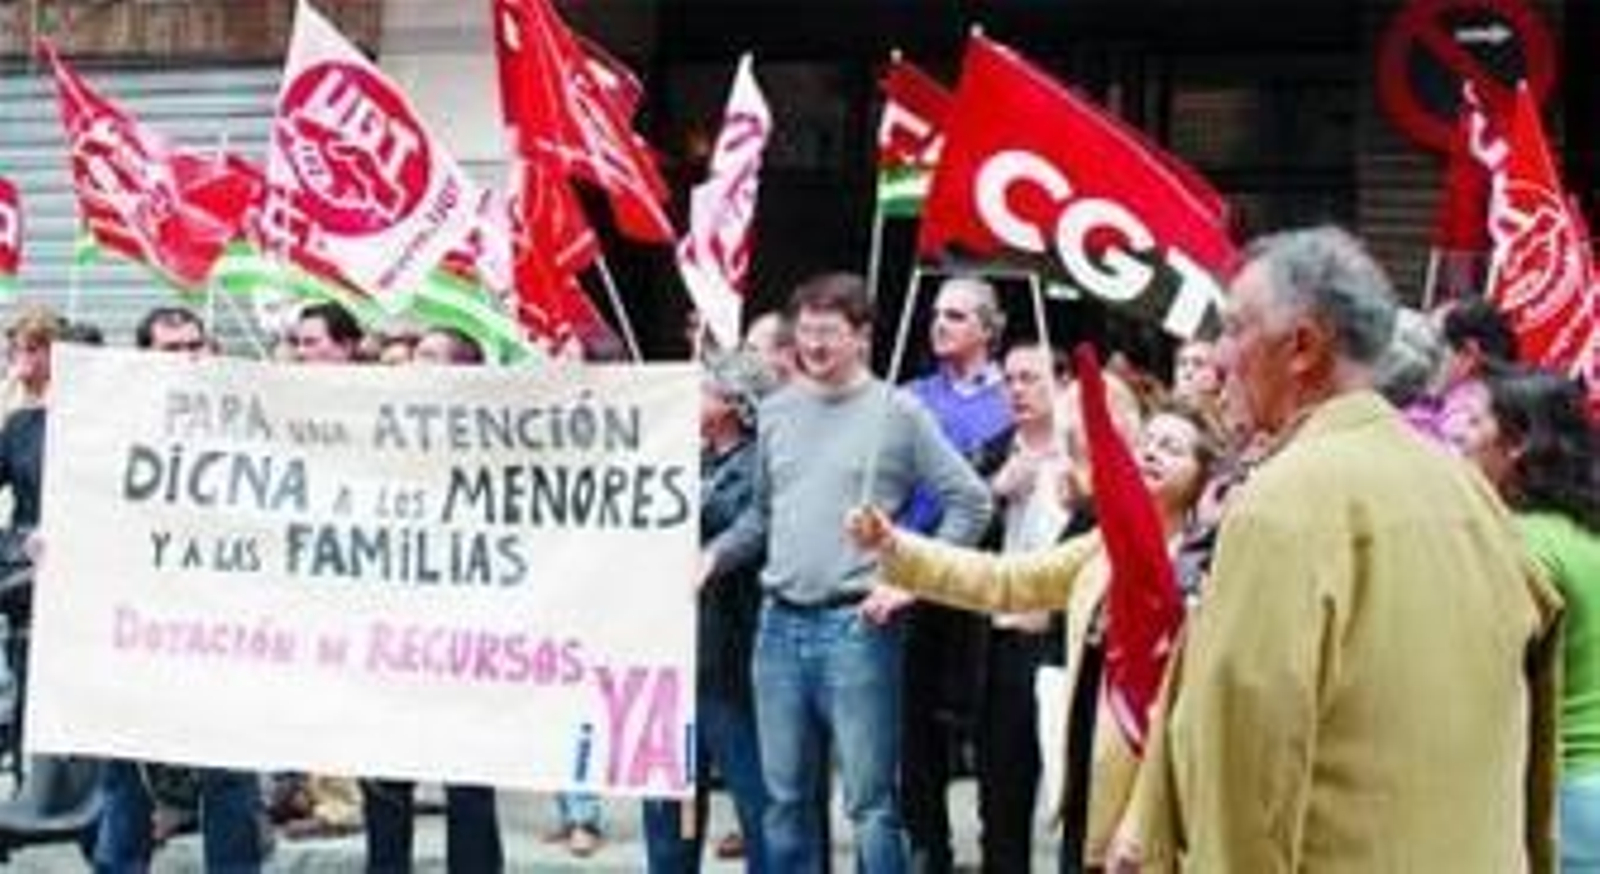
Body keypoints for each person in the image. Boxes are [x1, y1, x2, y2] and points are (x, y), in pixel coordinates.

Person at [1127, 226, 1562, 872]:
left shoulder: (1281, 504)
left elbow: (1246, 775)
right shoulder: (1467, 489)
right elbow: (1532, 751)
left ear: (1302, 346)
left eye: (1235, 328)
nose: (1217, 355)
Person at [848, 399, 1227, 873]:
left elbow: (1182, 718)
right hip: (1089, 782)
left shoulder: (1208, 568)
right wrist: (896, 546)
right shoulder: (1105, 545)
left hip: (1156, 800)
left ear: (1202, 476)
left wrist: (1140, 821)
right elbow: (1005, 581)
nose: (1151, 453)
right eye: (1147, 442)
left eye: (1171, 448)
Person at [704, 272, 991, 873]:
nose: (814, 344)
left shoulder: (899, 412)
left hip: (859, 629)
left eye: (829, 332)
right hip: (776, 628)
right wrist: (714, 556)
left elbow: (971, 501)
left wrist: (914, 579)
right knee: (784, 801)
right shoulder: (776, 412)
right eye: (805, 331)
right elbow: (762, 516)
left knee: (870, 806)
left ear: (862, 337)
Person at [94, 306, 269, 874]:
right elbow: (84, 504)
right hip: (139, 624)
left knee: (228, 768)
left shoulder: (253, 418)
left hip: (224, 625)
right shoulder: (108, 424)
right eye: (171, 349)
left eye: (196, 344)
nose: (187, 357)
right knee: (128, 767)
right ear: (143, 356)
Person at [359, 325, 503, 874]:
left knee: (468, 784)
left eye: (427, 355)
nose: (411, 363)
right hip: (389, 638)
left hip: (466, 641)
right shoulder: (373, 435)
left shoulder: (496, 440)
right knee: (384, 783)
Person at [1445, 368, 1600, 872]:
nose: (1460, 435)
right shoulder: (1584, 531)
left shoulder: (1519, 543)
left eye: (1476, 421)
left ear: (1517, 444)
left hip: (1561, 795)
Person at [898, 274, 1012, 874]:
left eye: (957, 316)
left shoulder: (1014, 398)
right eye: (937, 313)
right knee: (914, 728)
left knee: (986, 727)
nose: (940, 324)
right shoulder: (910, 396)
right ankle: (928, 850)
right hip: (913, 576)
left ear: (989, 330)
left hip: (983, 581)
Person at [643, 350, 773, 873]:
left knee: (755, 799)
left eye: (702, 389)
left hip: (730, 658)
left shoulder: (759, 465)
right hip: (673, 659)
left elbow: (742, 526)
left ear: (733, 404)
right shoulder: (684, 460)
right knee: (668, 801)